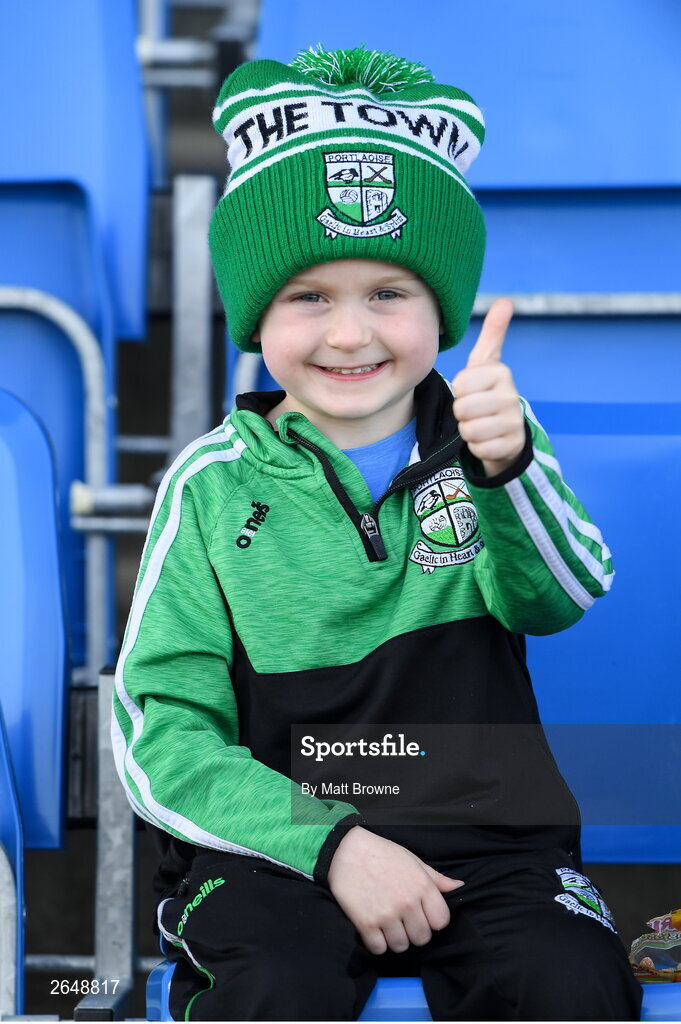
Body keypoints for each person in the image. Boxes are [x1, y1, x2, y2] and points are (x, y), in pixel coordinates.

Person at [113, 44, 642, 1021]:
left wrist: (507, 469)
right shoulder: (211, 485)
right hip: (274, 852)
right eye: (308, 295)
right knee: (274, 988)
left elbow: (561, 595)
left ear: (440, 312)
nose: (350, 334)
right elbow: (161, 731)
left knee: (570, 984)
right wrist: (334, 842)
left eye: (389, 294)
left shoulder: (493, 443)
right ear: (255, 316)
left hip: (489, 846)